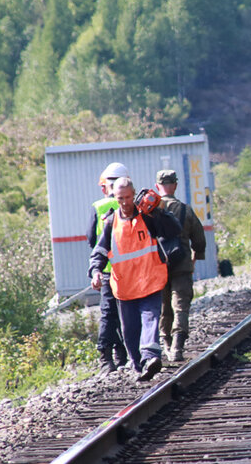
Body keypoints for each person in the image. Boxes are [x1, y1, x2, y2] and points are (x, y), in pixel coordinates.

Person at [89, 177, 174, 382]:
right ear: (115, 197)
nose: (125, 202)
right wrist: (96, 271)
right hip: (125, 287)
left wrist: (158, 212)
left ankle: (151, 357)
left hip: (150, 281)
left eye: (128, 197)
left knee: (150, 317)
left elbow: (173, 230)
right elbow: (99, 250)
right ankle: (139, 367)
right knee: (130, 332)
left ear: (134, 194)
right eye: (120, 198)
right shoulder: (111, 222)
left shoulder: (148, 216)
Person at [155, 169, 207, 363]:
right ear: (175, 185)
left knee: (163, 307)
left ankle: (165, 343)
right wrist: (196, 256)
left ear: (157, 187)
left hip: (157, 266)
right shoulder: (186, 209)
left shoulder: (150, 210)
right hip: (182, 265)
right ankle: (177, 347)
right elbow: (199, 238)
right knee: (180, 307)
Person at [88, 162, 130, 374]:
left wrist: (96, 267)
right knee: (127, 313)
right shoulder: (132, 205)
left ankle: (106, 357)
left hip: (105, 270)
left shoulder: (98, 207)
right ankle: (122, 354)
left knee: (108, 314)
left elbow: (91, 240)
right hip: (129, 271)